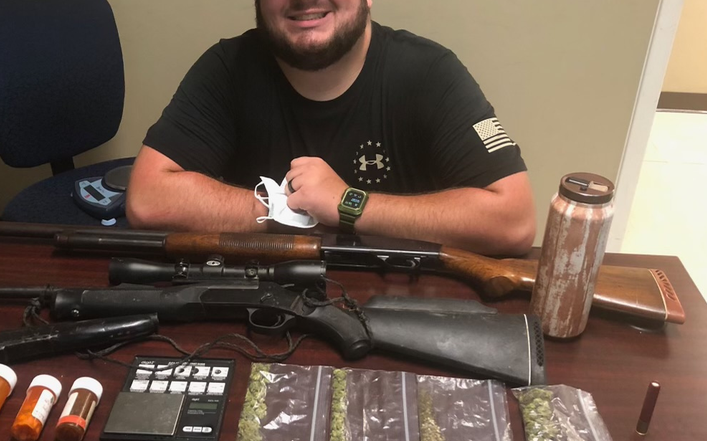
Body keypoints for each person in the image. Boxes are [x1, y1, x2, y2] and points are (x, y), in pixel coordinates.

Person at [127, 0, 536, 255]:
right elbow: (148, 198)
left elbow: (513, 220)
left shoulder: (431, 72)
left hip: (400, 303)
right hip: (262, 305)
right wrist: (287, 209)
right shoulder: (228, 67)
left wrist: (348, 204)